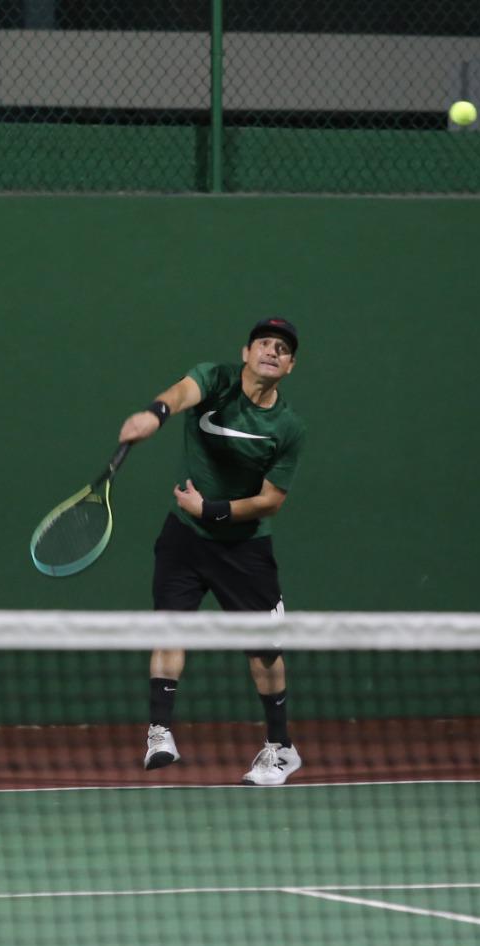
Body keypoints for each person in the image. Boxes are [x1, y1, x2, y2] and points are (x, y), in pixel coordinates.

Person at [117, 316, 308, 786]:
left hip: (244, 548)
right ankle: (160, 732)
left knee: (264, 651)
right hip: (184, 538)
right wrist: (155, 414)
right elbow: (181, 393)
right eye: (263, 343)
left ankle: (281, 747)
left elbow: (271, 501)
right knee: (169, 629)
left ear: (290, 367)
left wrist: (213, 510)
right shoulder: (215, 379)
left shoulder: (287, 427)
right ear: (246, 353)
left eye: (282, 348)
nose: (271, 351)